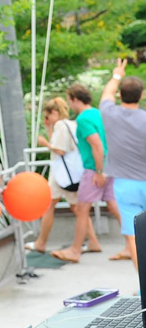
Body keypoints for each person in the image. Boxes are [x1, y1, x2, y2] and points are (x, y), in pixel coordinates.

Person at [52, 83, 122, 263]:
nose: (69, 104)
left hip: (95, 168)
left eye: (69, 100)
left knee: (81, 208)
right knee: (114, 206)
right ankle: (132, 244)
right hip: (109, 165)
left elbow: (96, 144)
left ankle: (75, 250)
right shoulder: (98, 114)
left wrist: (98, 171)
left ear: (75, 99)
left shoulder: (83, 119)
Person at [27, 97, 97, 254]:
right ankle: (93, 241)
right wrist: (49, 129)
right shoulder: (71, 124)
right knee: (79, 208)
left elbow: (59, 150)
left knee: (49, 206)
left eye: (47, 116)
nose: (47, 119)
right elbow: (62, 143)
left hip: (60, 174)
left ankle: (41, 243)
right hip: (72, 172)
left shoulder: (60, 125)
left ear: (53, 113)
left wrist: (45, 143)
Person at [99, 58, 146, 272]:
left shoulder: (110, 113)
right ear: (142, 95)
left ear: (120, 96)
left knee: (133, 237)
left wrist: (117, 74)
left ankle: (143, 289)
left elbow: (106, 94)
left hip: (125, 185)